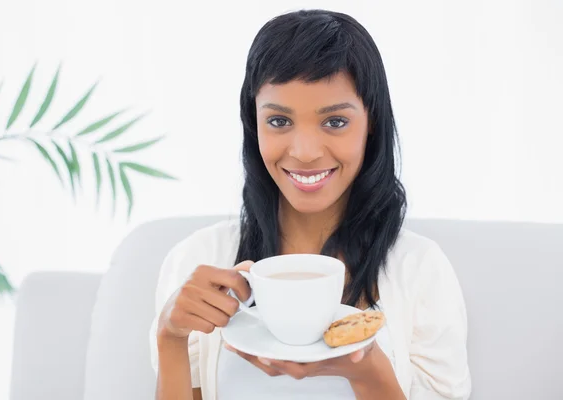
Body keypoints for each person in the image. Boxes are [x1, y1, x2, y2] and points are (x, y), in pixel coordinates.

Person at [150, 9, 471, 400]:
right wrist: (170, 336)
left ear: (372, 123)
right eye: (279, 122)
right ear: (254, 125)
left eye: (335, 122)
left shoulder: (420, 269)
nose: (304, 153)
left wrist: (367, 370)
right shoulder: (200, 258)